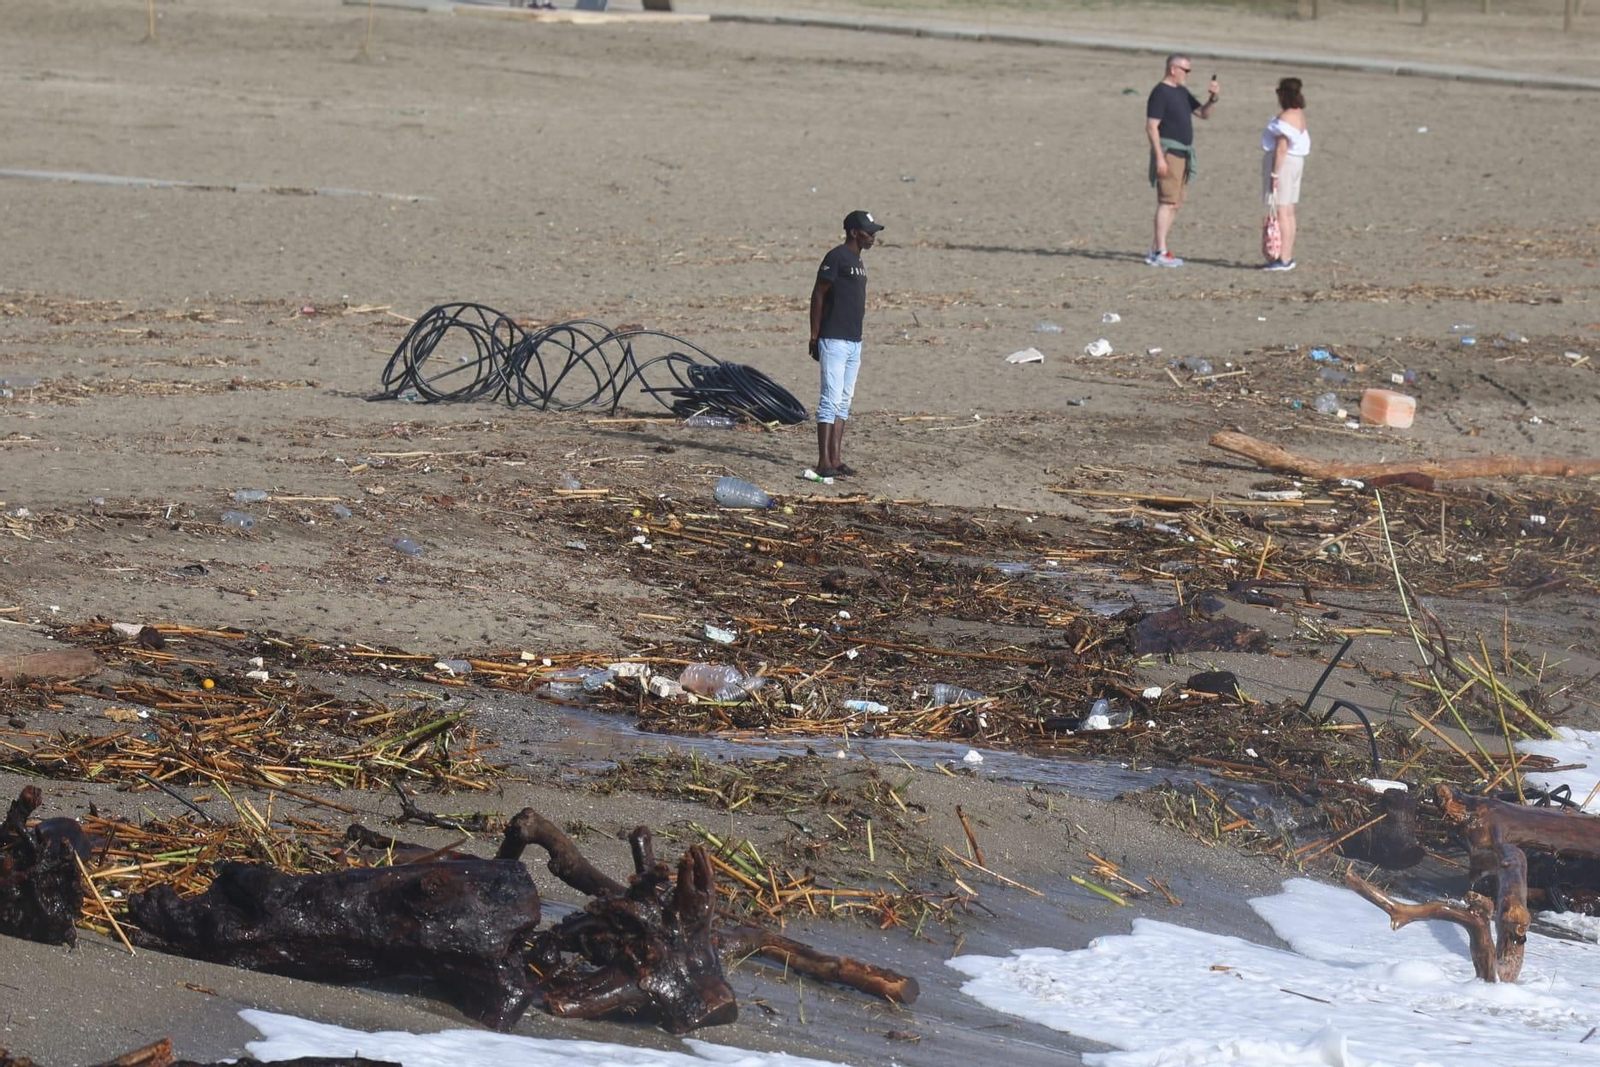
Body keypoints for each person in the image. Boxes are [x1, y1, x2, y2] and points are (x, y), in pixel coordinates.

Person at [808, 209, 882, 478]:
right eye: (868, 232)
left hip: (853, 341)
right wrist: (815, 335)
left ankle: (836, 459)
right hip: (834, 338)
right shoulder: (836, 257)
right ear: (853, 232)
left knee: (844, 401)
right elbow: (818, 294)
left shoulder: (858, 261)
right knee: (830, 399)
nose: (873, 237)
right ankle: (823, 462)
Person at [1145, 54, 1219, 268]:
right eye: (1185, 70)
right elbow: (1151, 127)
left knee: (1175, 203)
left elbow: (1203, 114)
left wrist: (1213, 99)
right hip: (1169, 152)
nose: (1188, 74)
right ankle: (1159, 251)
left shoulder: (1182, 92)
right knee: (1167, 201)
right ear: (1173, 69)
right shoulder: (1160, 92)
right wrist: (1160, 158)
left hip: (1184, 153)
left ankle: (1157, 248)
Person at [1261, 77, 1310, 272]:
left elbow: (1282, 148)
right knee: (1288, 211)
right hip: (1296, 162)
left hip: (1285, 164)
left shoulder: (1286, 117)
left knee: (1282, 211)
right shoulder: (1299, 114)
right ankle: (1286, 256)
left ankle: (1283, 258)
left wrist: (1274, 174)